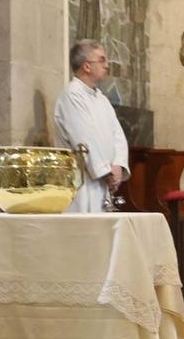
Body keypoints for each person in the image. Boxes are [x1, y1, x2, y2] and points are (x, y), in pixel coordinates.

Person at [52, 39, 131, 214]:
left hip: (103, 183)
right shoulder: (71, 95)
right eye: (102, 60)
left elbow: (117, 135)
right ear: (87, 66)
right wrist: (106, 172)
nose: (107, 65)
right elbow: (84, 140)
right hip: (82, 184)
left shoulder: (102, 99)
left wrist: (118, 165)